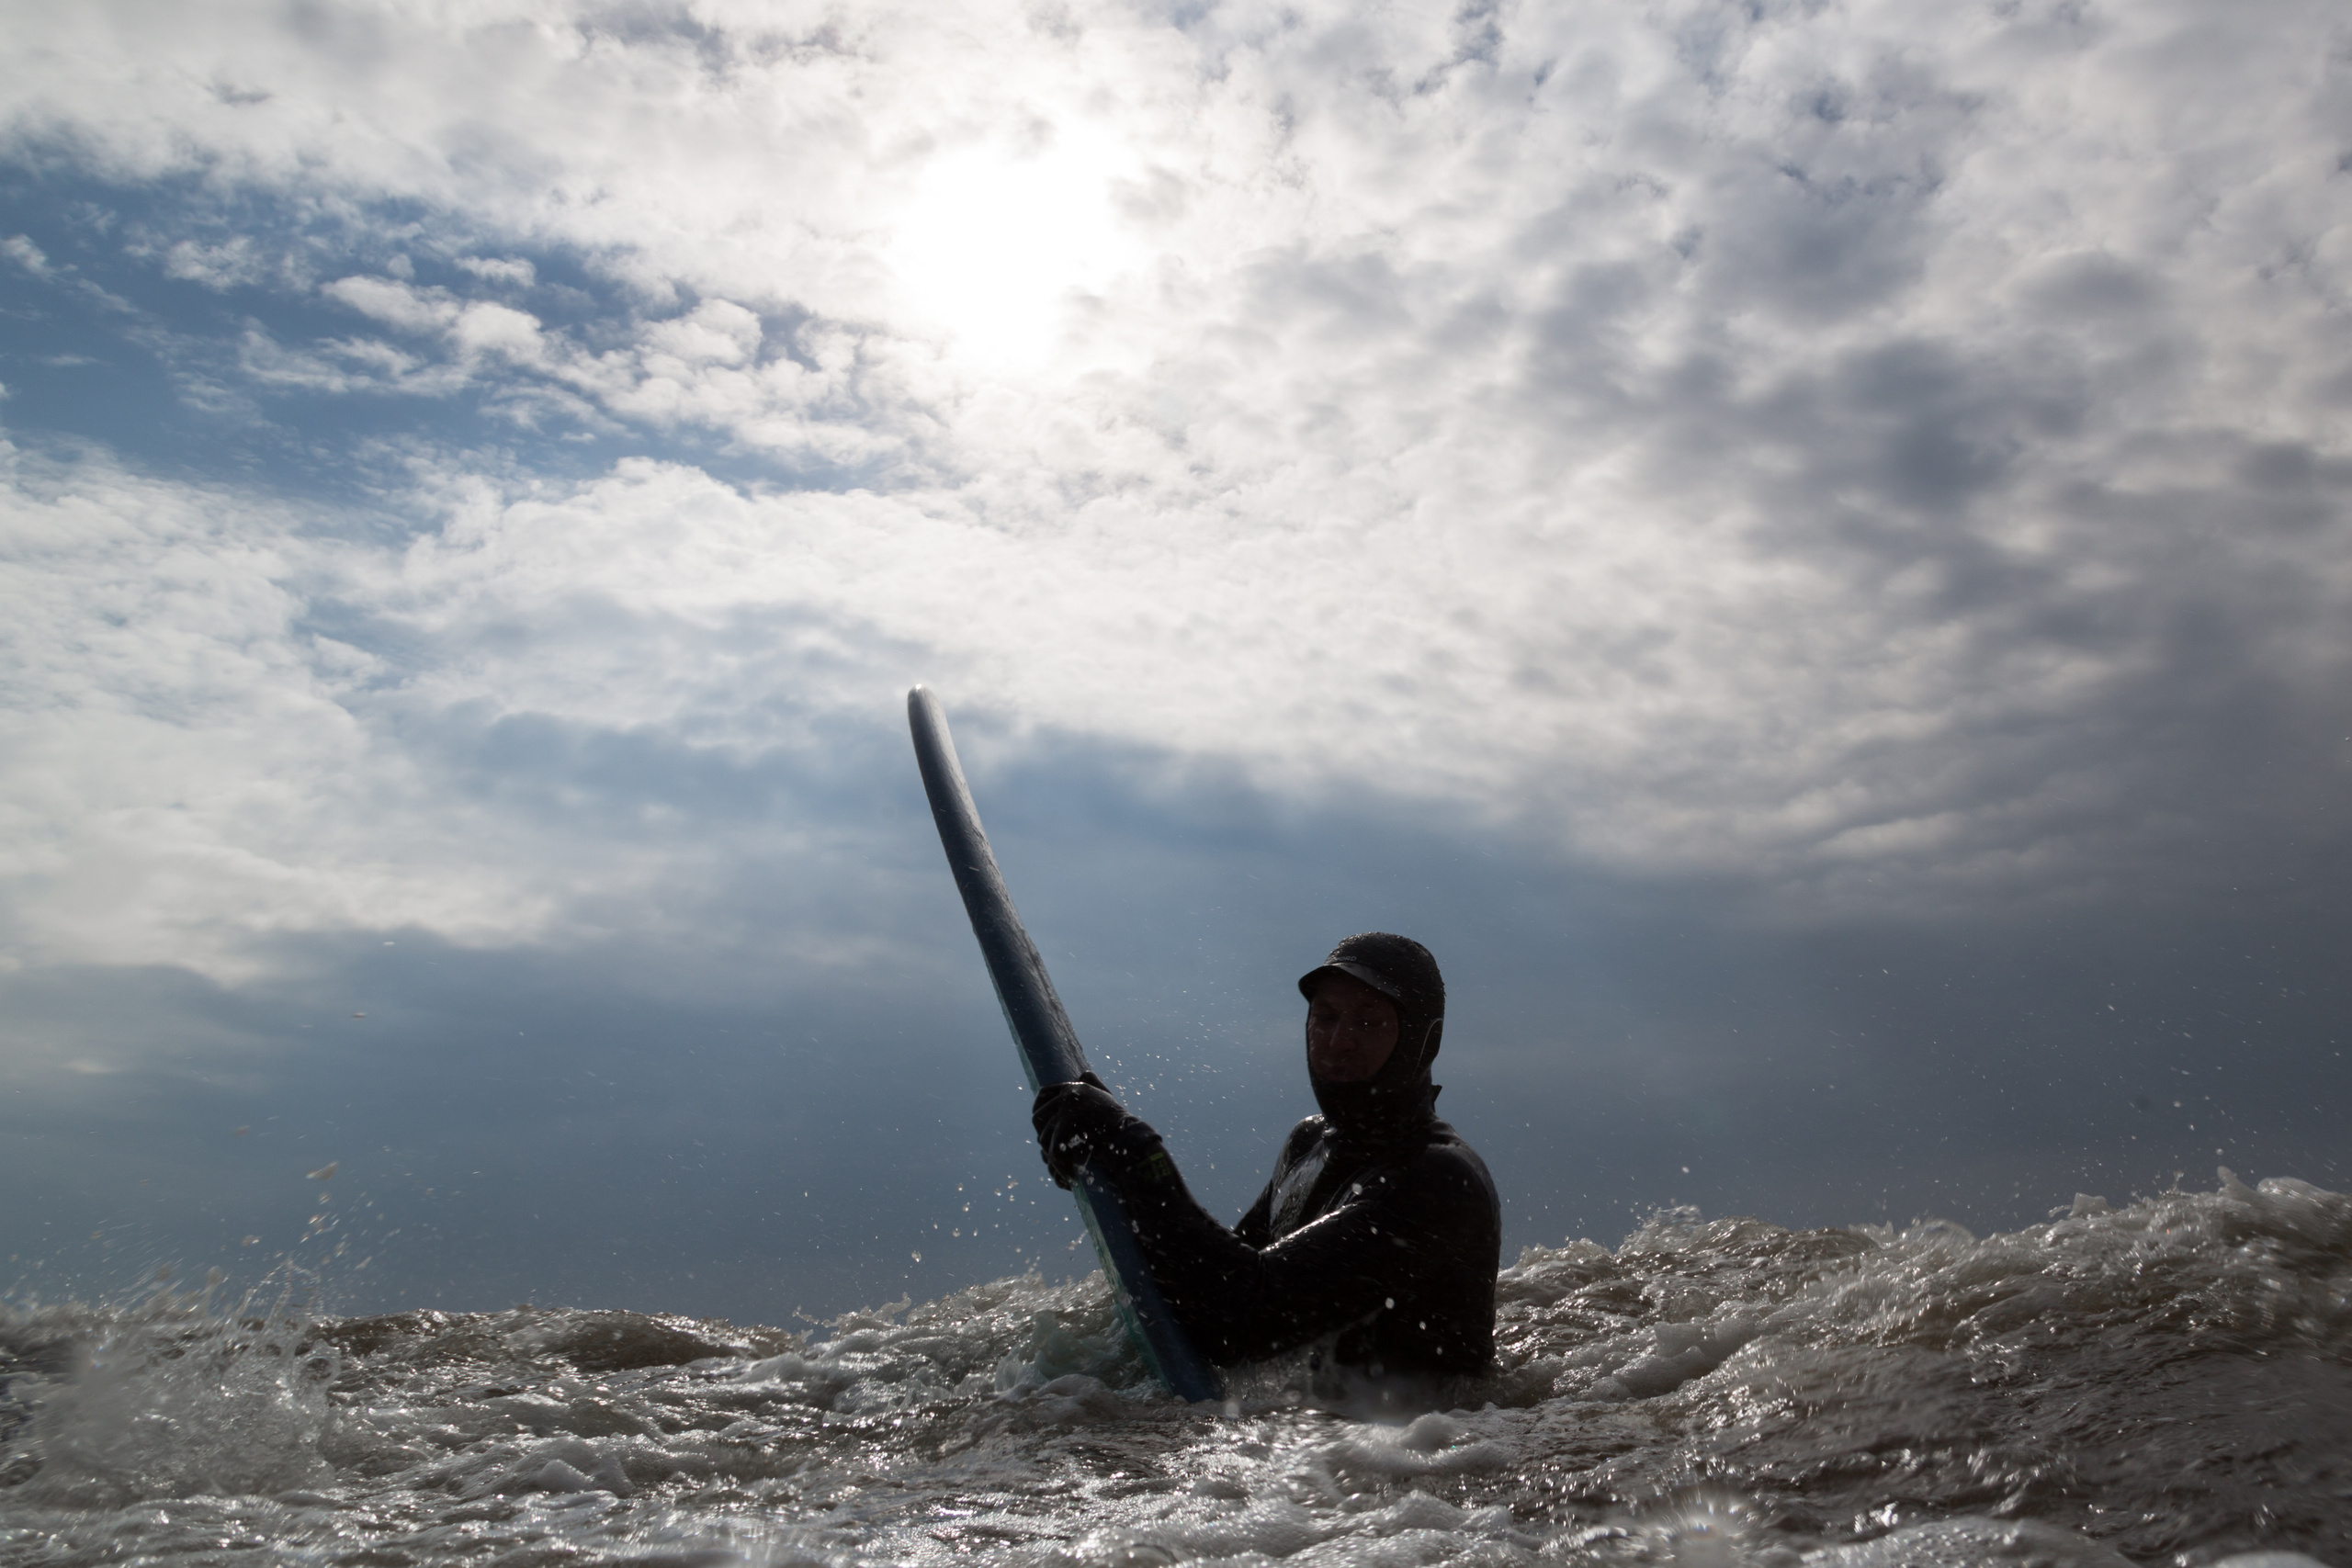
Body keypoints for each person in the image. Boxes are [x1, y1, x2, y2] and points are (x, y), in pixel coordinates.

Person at [1032, 932, 1501, 1393]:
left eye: (1368, 1022)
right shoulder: (1308, 1145)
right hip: (1329, 1449)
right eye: (1326, 1017)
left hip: (1424, 1457)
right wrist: (1111, 1172)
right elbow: (1205, 1291)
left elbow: (1240, 1324)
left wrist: (1134, 1149)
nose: (1338, 1042)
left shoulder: (1441, 1180)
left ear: (1424, 1041)